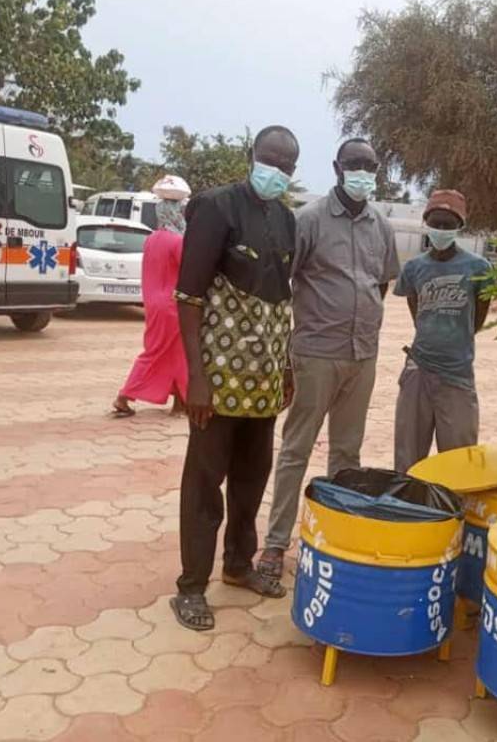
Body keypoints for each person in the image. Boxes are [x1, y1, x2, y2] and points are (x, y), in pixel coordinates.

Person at [169, 126, 299, 631]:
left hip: (264, 380)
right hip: (218, 379)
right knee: (205, 482)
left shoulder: (286, 219)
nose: (277, 171)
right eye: (271, 160)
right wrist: (195, 377)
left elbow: (281, 299)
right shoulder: (216, 207)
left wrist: (285, 367)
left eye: (287, 165)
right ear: (253, 157)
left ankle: (239, 565)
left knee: (252, 477)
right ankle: (191, 586)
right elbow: (189, 297)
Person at [257, 138, 400, 582]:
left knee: (347, 454)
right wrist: (285, 357)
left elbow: (380, 285)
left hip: (363, 356)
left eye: (370, 165)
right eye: (354, 164)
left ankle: (334, 539)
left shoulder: (382, 225)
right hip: (316, 354)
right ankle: (276, 546)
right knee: (296, 450)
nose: (362, 172)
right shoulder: (309, 220)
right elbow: (283, 284)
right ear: (337, 168)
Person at [392, 190, 492, 473]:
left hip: (457, 374)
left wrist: (456, 339)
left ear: (460, 226)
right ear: (426, 223)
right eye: (436, 223)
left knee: (459, 461)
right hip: (419, 370)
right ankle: (409, 510)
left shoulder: (478, 267)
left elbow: (478, 318)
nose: (441, 230)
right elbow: (417, 311)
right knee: (408, 459)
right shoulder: (414, 268)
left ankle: (452, 514)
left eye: (449, 224)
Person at [112, 175, 192, 418]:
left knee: (177, 353)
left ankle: (181, 402)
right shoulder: (178, 242)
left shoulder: (152, 239)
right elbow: (189, 273)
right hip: (172, 306)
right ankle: (124, 395)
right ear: (177, 213)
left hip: (155, 303)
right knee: (156, 352)